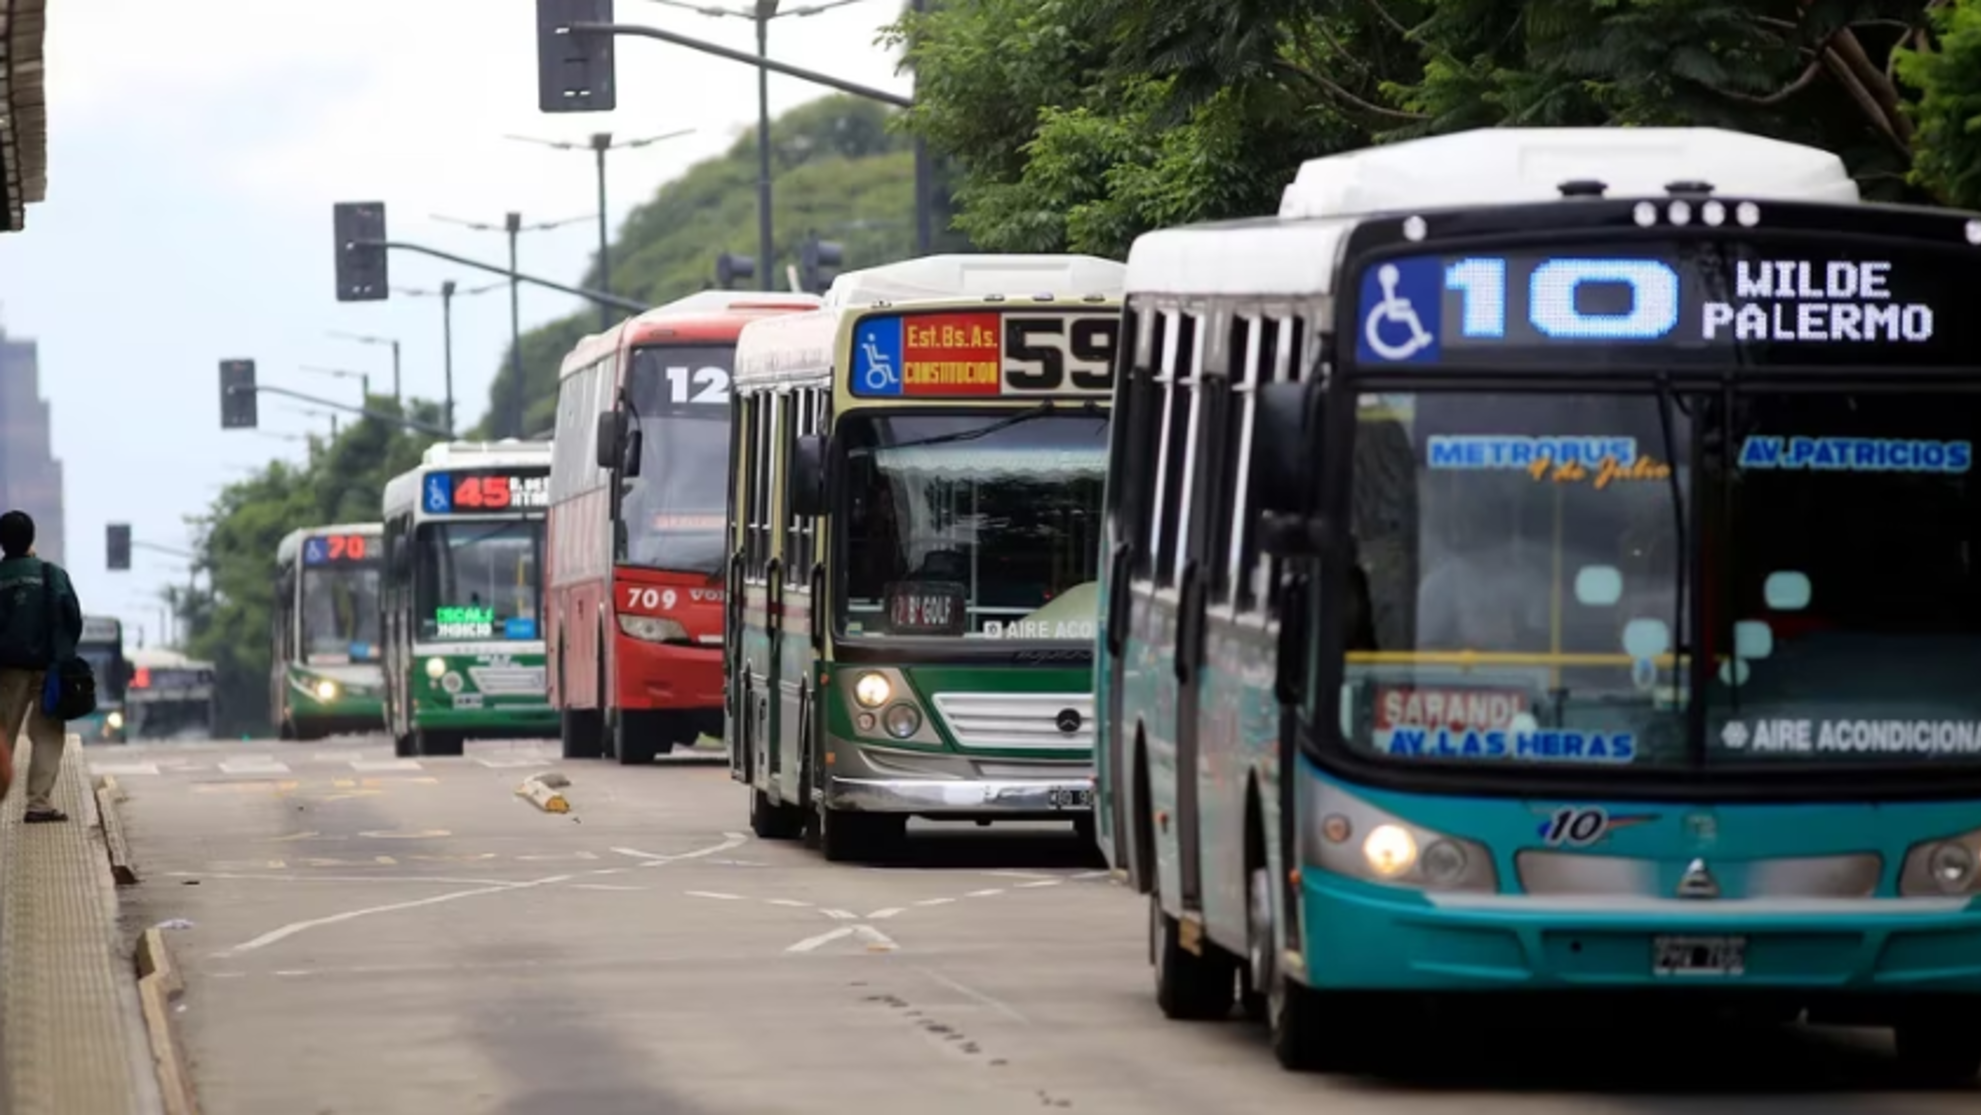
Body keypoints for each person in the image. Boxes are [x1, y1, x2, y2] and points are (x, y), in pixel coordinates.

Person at [0, 511, 81, 822]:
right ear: (31, 538)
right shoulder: (51, 574)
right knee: (48, 733)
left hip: (7, 671)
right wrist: (63, 654)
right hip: (49, 671)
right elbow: (72, 616)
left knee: (2, 736)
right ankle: (38, 804)